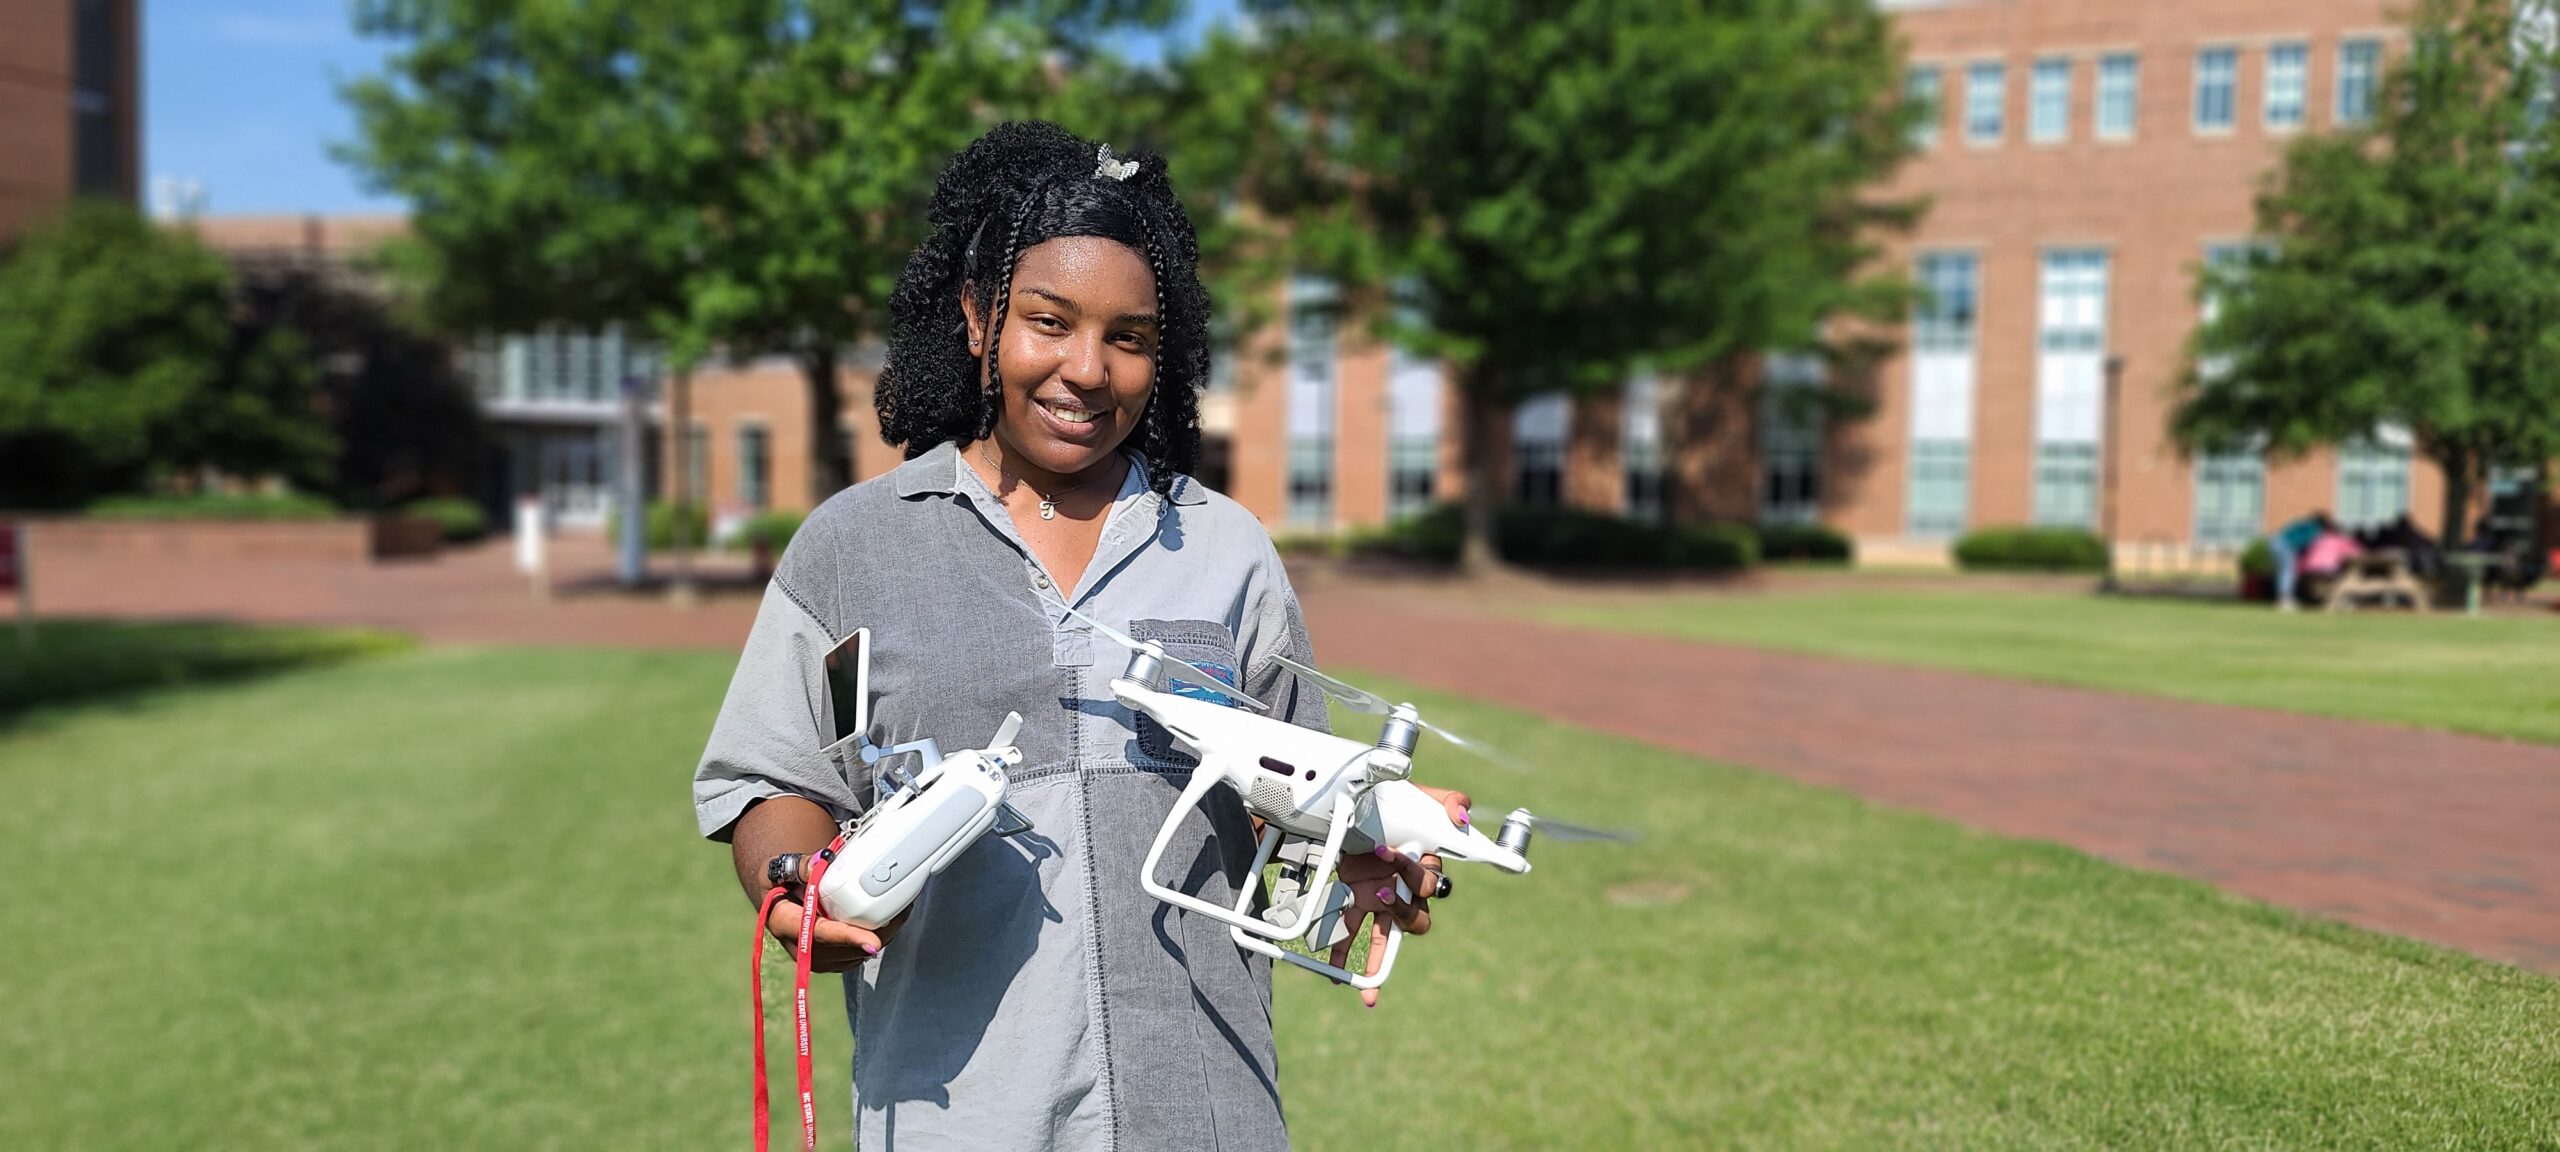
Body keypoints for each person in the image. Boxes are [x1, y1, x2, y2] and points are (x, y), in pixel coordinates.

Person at [691, 121, 1470, 1151]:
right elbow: (773, 777)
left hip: (1202, 1109)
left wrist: (1364, 855)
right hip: (951, 1113)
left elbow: (1303, 791)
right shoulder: (854, 545)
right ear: (977, 320)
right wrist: (797, 892)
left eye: (1129, 338)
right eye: (1047, 322)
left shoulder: (1228, 548)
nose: (1087, 369)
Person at [2268, 510, 2335, 611]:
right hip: (2285, 545)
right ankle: (2284, 599)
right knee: (2288, 572)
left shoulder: (2304, 523)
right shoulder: (2314, 529)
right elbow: (2305, 544)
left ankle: (2284, 598)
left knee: (2284, 571)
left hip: (2277, 542)